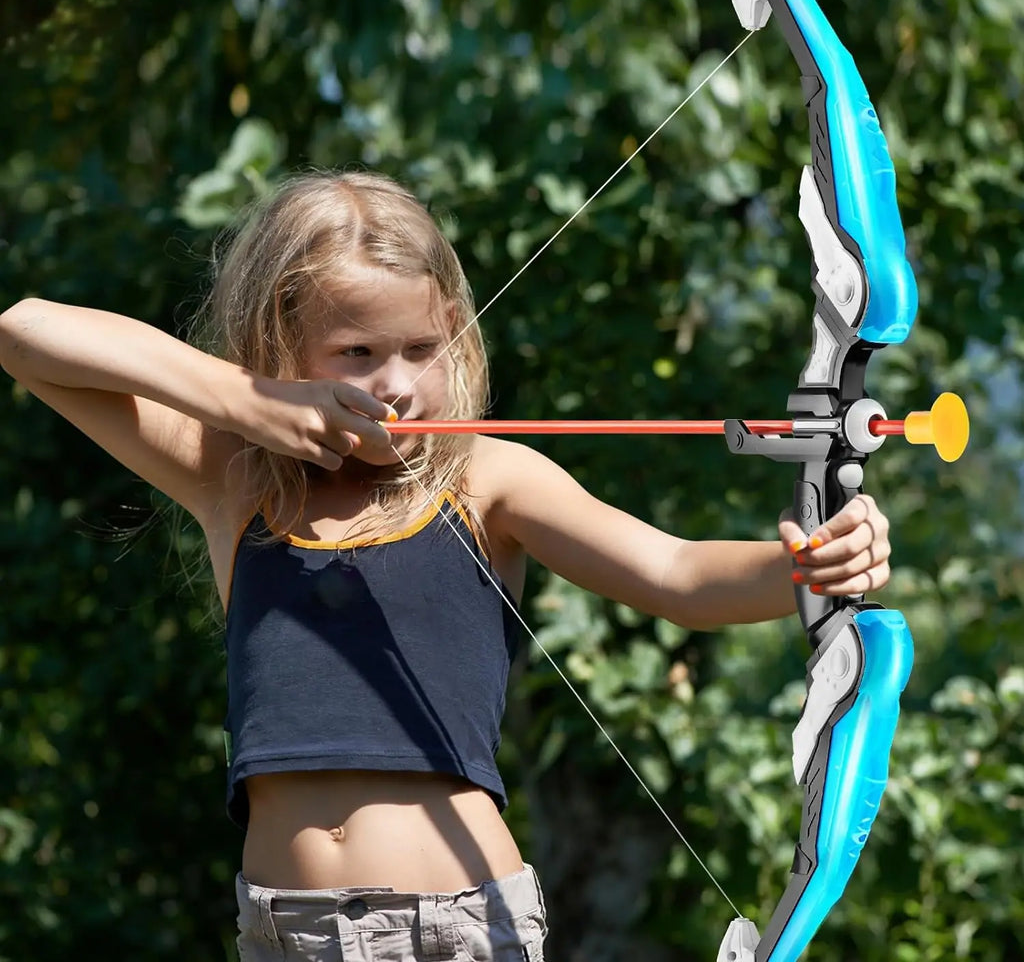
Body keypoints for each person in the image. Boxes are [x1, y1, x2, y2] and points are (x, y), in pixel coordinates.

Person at [0, 171, 892, 961]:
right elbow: (25, 335)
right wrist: (244, 400)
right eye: (357, 353)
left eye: (421, 349)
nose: (397, 383)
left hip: (458, 927)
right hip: (284, 930)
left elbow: (675, 574)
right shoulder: (236, 482)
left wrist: (808, 569)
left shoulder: (484, 479)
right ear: (281, 345)